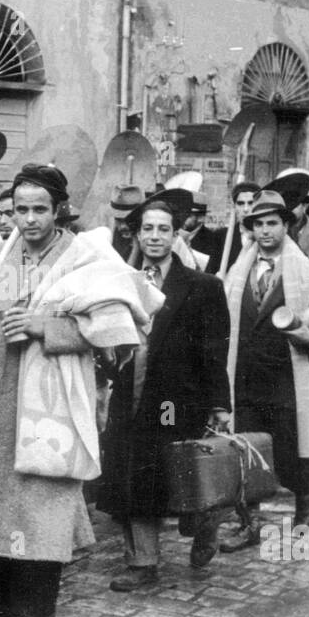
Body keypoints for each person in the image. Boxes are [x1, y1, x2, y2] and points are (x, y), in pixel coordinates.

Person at [0, 164, 151, 617]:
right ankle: (1, 601)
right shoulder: (0, 252)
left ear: (59, 211)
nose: (28, 220)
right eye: (20, 210)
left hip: (47, 397)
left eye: (39, 210)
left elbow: (118, 332)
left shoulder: (83, 258)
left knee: (38, 501)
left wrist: (43, 328)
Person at [99, 196, 230, 590]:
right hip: (128, 394)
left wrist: (219, 403)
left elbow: (214, 350)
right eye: (148, 229)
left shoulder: (201, 287)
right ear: (137, 234)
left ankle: (205, 519)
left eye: (164, 230)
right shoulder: (121, 281)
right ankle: (143, 562)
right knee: (133, 474)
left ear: (176, 236)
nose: (155, 237)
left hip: (174, 399)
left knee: (174, 467)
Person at [223, 190, 309, 537]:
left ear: (286, 226)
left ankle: (305, 506)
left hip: (286, 377)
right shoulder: (237, 271)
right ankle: (249, 521)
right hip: (244, 376)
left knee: (290, 447)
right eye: (259, 224)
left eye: (272, 223)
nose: (265, 231)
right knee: (246, 448)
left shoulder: (308, 273)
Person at [200, 181, 261, 275]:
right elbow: (210, 272)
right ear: (234, 207)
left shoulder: (266, 235)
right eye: (240, 204)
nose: (245, 209)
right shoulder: (222, 236)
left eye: (251, 203)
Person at [109, 184, 145, 260]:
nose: (123, 226)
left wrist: (136, 247)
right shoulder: (116, 235)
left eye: (128, 220)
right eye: (118, 220)